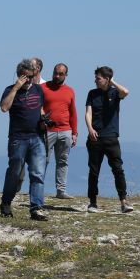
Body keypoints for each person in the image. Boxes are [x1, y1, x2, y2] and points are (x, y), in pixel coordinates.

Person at [0, 59, 48, 221]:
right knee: (15, 173)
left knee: (38, 174)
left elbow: (40, 109)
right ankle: (6, 203)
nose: (29, 80)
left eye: (32, 76)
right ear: (20, 75)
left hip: (37, 138)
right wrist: (16, 88)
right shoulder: (10, 90)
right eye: (26, 77)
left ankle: (36, 208)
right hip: (18, 139)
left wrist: (43, 119)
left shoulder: (39, 90)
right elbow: (4, 107)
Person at [85, 66, 133, 213]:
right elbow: (88, 113)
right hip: (95, 138)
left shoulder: (115, 92)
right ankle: (92, 202)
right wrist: (90, 129)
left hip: (111, 137)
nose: (95, 80)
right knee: (94, 171)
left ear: (106, 79)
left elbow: (126, 92)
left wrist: (112, 82)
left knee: (118, 170)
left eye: (98, 78)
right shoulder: (92, 93)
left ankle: (123, 202)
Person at [42, 63, 78, 199]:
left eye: (61, 74)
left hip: (65, 131)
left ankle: (61, 191)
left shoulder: (70, 91)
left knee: (63, 161)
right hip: (47, 131)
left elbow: (73, 113)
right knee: (43, 160)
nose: (57, 76)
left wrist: (74, 133)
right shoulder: (42, 88)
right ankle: (38, 188)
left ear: (66, 75)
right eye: (55, 73)